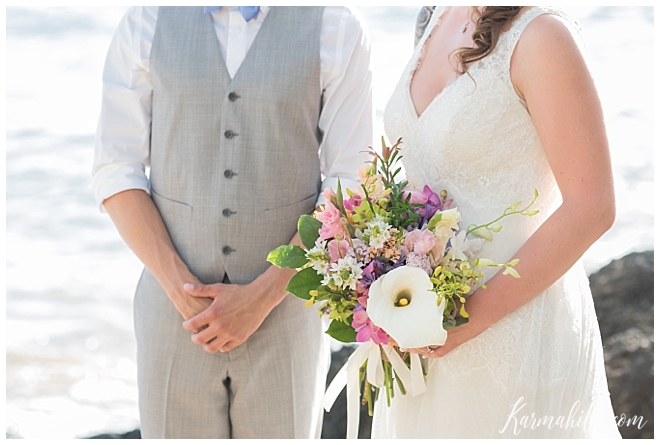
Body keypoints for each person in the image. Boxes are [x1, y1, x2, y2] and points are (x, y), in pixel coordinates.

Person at [92, 6, 373, 439]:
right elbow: (116, 168)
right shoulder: (146, 20)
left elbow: (350, 182)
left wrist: (263, 296)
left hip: (287, 314)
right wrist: (179, 288)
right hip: (173, 317)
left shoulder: (334, 25)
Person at [370, 6, 621, 438]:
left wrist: (465, 322)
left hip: (513, 336)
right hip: (426, 336)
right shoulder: (435, 14)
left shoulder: (543, 36)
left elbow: (593, 206)